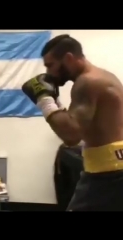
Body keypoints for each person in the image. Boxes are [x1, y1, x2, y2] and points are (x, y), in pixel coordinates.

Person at [22, 34, 123, 211]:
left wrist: (44, 98)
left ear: (68, 58)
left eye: (50, 65)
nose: (48, 73)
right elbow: (76, 123)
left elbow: (71, 135)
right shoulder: (103, 76)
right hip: (112, 168)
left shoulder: (87, 83)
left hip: (109, 173)